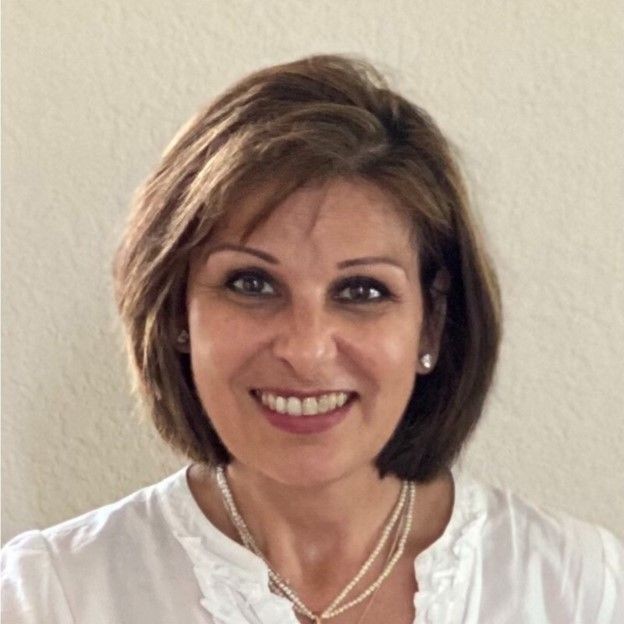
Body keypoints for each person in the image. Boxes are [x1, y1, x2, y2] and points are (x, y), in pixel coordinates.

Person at [2, 54, 622, 624]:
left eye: (361, 292)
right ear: (174, 314)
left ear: (432, 323)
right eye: (251, 283)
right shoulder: (52, 595)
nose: (306, 349)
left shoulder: (580, 589)